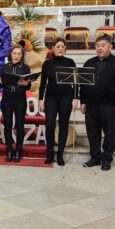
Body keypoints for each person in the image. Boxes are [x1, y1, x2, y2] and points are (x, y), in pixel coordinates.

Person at [80, 34, 115, 171]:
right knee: (92, 133)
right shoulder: (89, 63)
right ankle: (95, 157)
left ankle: (107, 159)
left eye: (103, 45)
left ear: (110, 47)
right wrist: (83, 101)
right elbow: (82, 85)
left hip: (110, 105)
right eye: (97, 46)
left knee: (110, 133)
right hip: (91, 105)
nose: (99, 48)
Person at [39, 37, 77, 166]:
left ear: (65, 49)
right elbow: (43, 83)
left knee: (63, 125)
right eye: (58, 46)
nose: (60, 48)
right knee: (49, 125)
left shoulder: (70, 62)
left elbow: (75, 83)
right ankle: (50, 152)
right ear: (53, 49)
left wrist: (75, 98)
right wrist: (40, 99)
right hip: (50, 98)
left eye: (62, 46)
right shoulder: (47, 64)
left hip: (66, 97)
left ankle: (60, 153)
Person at [0, 45, 31, 162]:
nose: (16, 56)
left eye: (19, 54)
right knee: (8, 125)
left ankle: (18, 150)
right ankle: (9, 150)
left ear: (22, 56)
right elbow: (0, 85)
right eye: (14, 53)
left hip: (20, 99)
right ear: (10, 54)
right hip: (7, 98)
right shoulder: (4, 68)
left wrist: (27, 84)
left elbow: (28, 86)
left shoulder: (26, 68)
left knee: (20, 126)